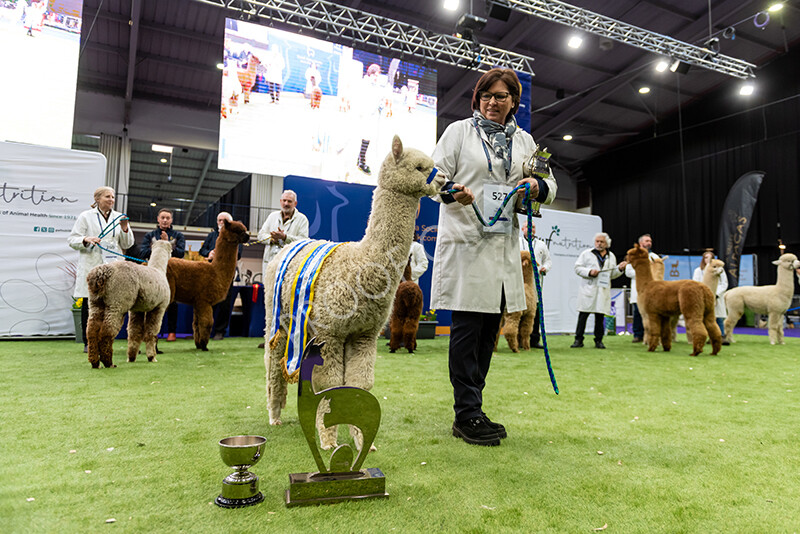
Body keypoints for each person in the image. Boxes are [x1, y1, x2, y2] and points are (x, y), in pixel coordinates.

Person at [429, 68, 557, 447]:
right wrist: (455, 191)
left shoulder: (525, 141)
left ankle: (474, 407)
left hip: (502, 247)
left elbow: (549, 184)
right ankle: (465, 413)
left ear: (513, 101)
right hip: (467, 241)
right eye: (486, 95)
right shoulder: (458, 133)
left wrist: (537, 185)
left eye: (500, 96)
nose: (492, 102)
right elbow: (433, 178)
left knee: (488, 335)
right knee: (468, 331)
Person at [68, 186, 135, 353]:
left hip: (114, 268)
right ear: (97, 199)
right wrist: (86, 239)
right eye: (107, 196)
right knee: (90, 304)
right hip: (92, 265)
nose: (111, 199)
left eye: (112, 197)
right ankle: (88, 342)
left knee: (113, 304)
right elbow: (72, 239)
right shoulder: (86, 216)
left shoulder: (120, 217)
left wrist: (125, 228)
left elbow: (128, 244)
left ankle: (108, 339)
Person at [571, 233, 628, 349]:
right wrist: (589, 272)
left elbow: (612, 274)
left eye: (601, 242)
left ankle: (599, 340)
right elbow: (577, 268)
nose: (599, 243)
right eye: (597, 241)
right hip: (588, 288)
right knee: (583, 315)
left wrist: (620, 269)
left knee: (600, 316)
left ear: (607, 243)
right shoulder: (586, 254)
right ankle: (578, 339)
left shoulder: (611, 256)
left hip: (603, 289)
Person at [139, 208, 186, 342]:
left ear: (171, 220)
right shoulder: (150, 235)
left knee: (172, 302)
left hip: (171, 273)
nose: (165, 220)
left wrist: (167, 244)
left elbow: (181, 253)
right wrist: (160, 245)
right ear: (158, 219)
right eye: (162, 218)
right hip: (152, 273)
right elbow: (142, 253)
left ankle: (172, 332)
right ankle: (148, 332)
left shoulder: (178, 235)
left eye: (168, 218)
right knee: (150, 301)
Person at [200, 212, 243, 341]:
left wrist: (220, 254)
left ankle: (220, 331)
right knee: (206, 301)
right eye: (219, 220)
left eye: (224, 220)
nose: (221, 223)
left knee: (225, 302)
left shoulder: (236, 237)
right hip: (210, 273)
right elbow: (202, 250)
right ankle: (204, 330)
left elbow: (239, 254)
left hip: (226, 275)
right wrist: (209, 253)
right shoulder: (211, 236)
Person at [520, 222, 552, 349]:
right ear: (523, 229)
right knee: (518, 311)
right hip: (519, 282)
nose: (530, 229)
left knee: (535, 312)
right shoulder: (516, 242)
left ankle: (534, 340)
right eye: (528, 226)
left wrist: (545, 268)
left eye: (533, 227)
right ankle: (519, 339)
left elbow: (548, 261)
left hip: (535, 282)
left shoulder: (541, 245)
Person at [258, 190, 310, 266]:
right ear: (280, 201)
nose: (286, 203)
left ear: (295, 203)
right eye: (284, 200)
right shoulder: (272, 216)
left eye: (289, 201)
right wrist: (272, 239)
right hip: (270, 262)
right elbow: (260, 235)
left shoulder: (302, 219)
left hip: (288, 263)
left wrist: (285, 237)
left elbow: (303, 241)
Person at [625, 233, 659, 342]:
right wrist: (642, 273)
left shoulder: (655, 257)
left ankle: (652, 334)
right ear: (640, 243)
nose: (649, 243)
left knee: (653, 313)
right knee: (638, 312)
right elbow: (628, 272)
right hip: (638, 288)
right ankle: (638, 335)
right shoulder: (634, 255)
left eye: (650, 241)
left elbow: (658, 271)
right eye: (647, 241)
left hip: (653, 290)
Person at [692, 249, 730, 344]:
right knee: (704, 317)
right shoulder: (698, 271)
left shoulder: (719, 270)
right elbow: (695, 283)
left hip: (716, 296)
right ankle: (705, 336)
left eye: (710, 257)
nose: (707, 259)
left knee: (718, 317)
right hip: (703, 297)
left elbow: (724, 283)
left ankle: (721, 336)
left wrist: (716, 294)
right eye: (706, 257)